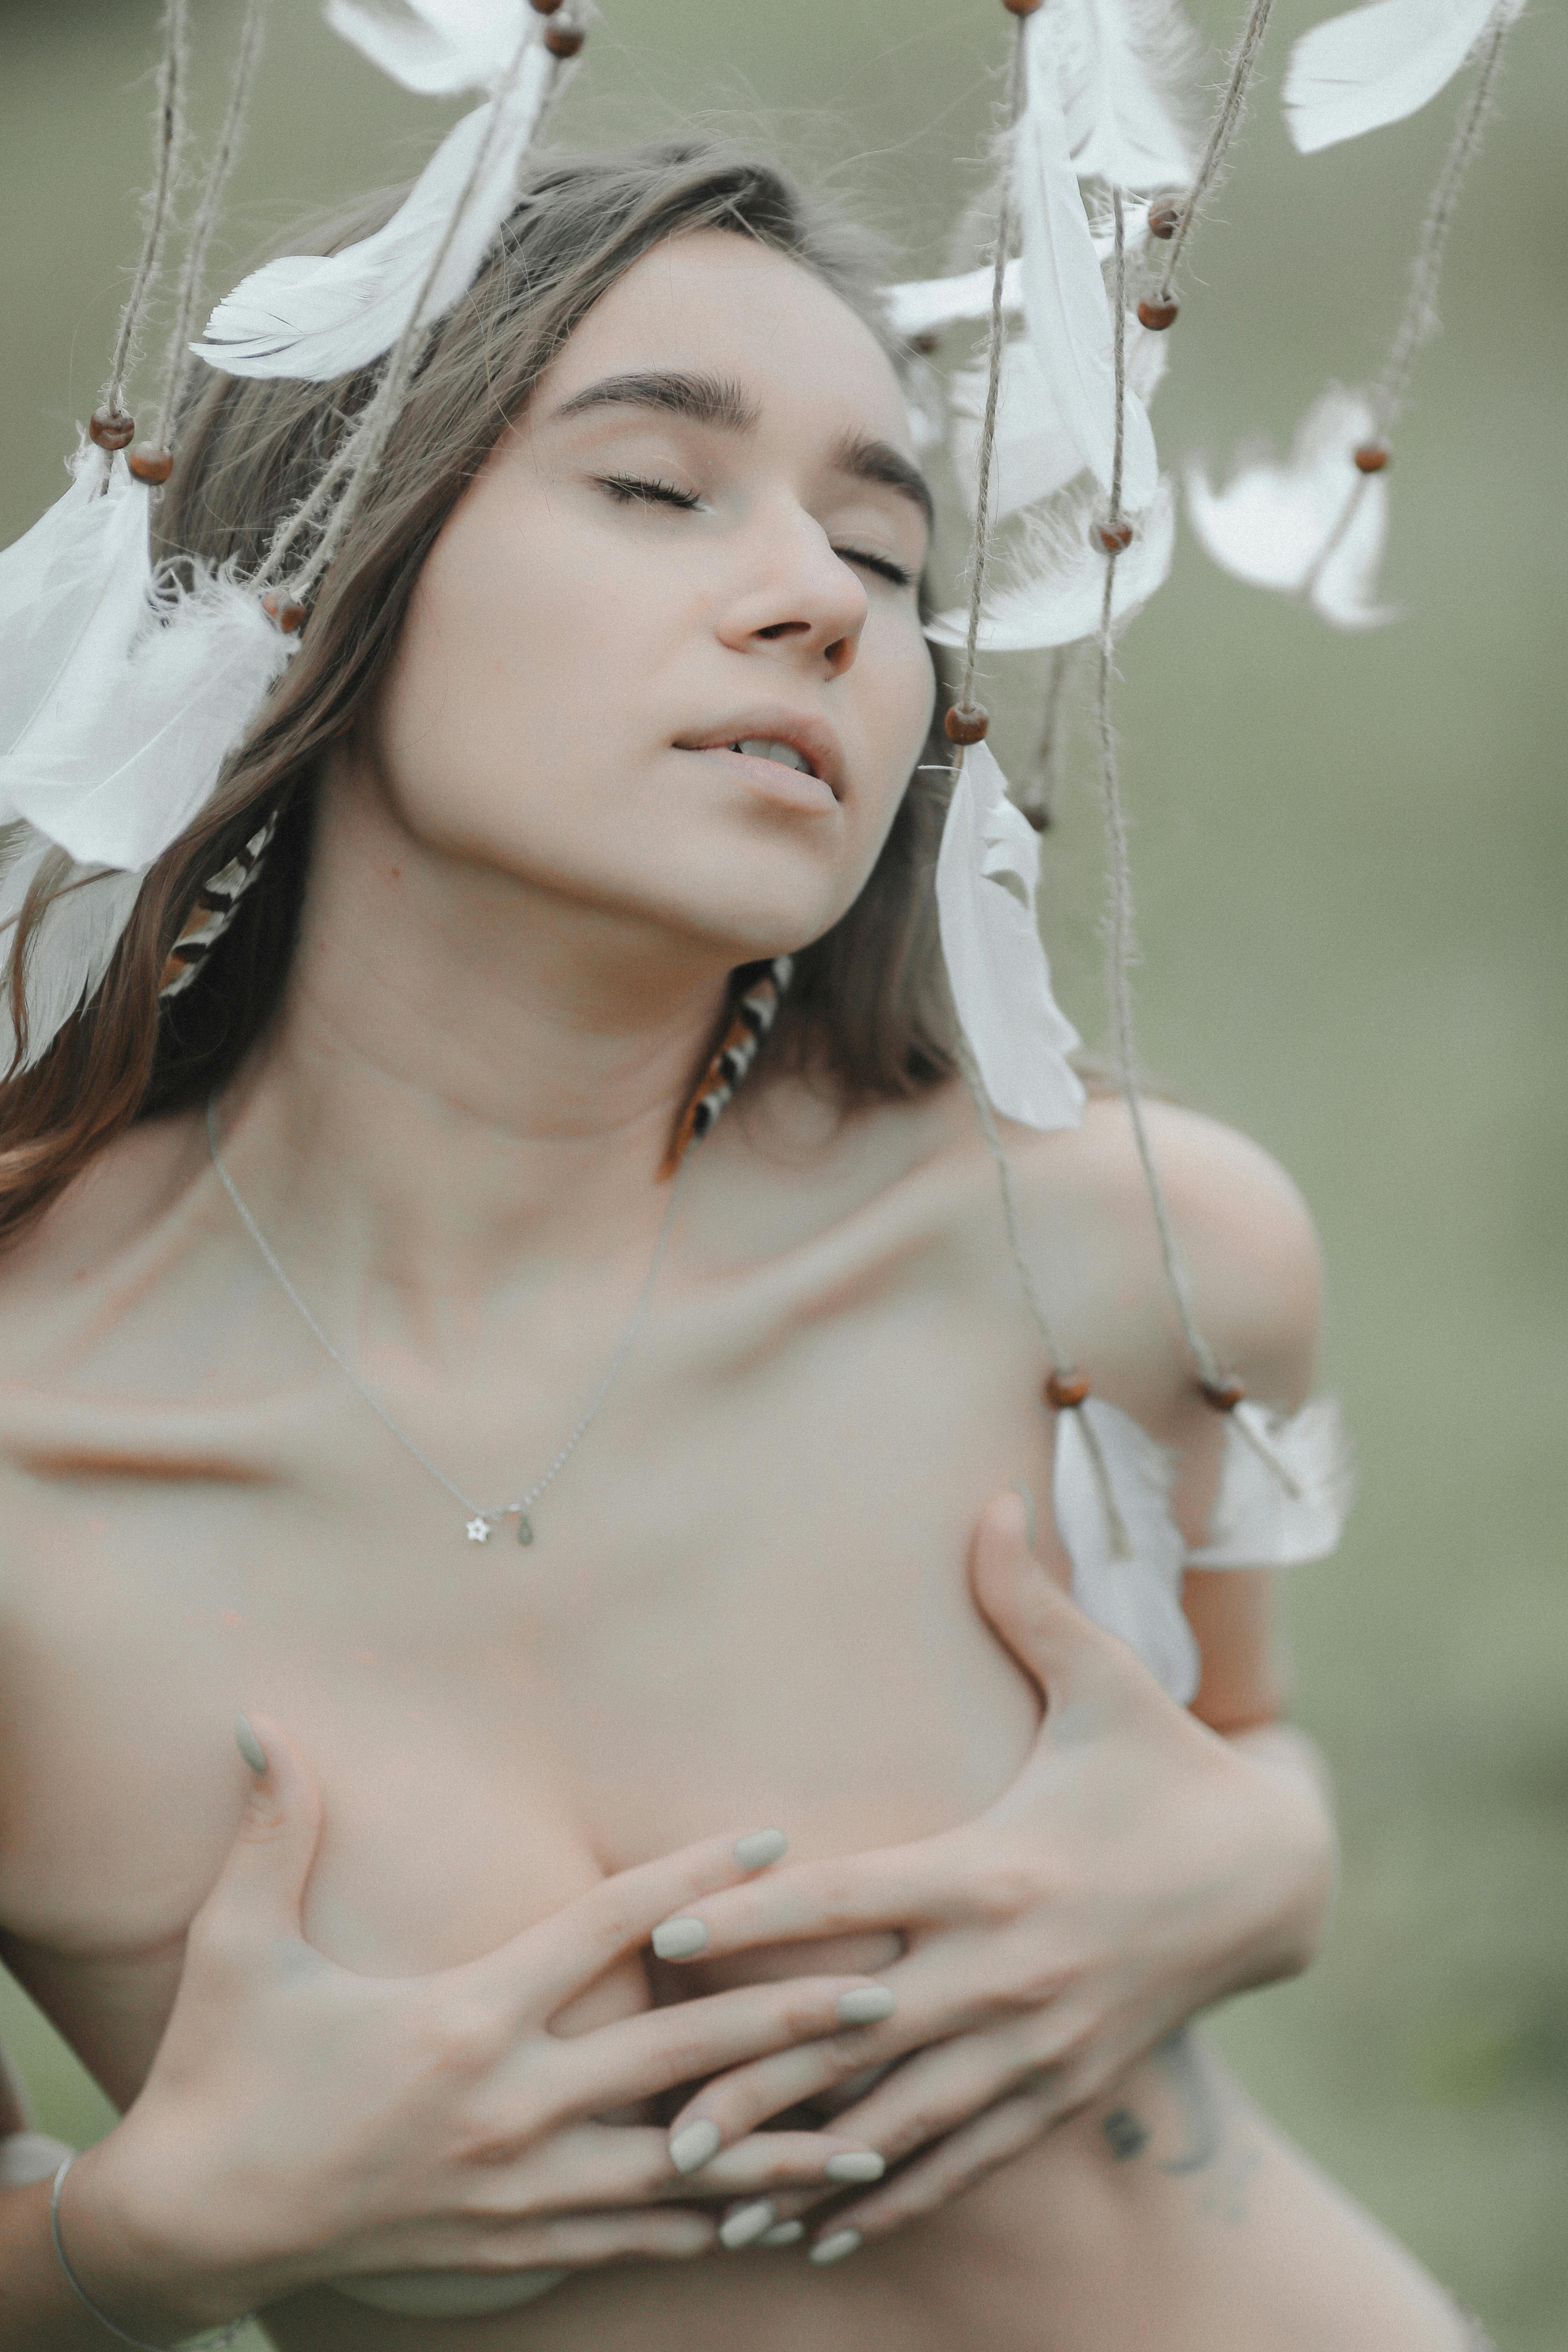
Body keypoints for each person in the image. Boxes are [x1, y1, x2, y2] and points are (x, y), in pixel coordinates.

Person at [0, 144, 1484, 2350]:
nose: (821, 598)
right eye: (654, 489)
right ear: (317, 564)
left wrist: (1255, 1862)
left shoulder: (1116, 1257)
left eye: (885, 551)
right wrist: (144, 2244)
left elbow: (1240, 1758)